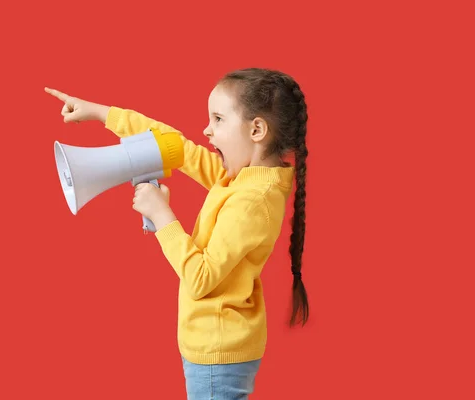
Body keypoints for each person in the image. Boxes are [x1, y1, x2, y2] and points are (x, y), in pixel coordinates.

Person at [44, 67, 309, 400]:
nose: (206, 131)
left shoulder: (252, 200)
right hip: (213, 345)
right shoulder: (239, 179)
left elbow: (200, 277)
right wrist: (102, 114)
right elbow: (176, 147)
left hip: (217, 351)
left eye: (218, 119)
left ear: (257, 129)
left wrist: (162, 215)